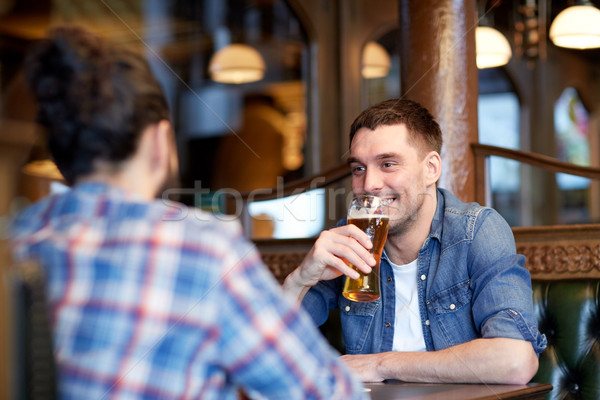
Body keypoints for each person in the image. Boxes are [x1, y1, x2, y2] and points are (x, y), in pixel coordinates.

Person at [11, 26, 366, 399]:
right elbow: (325, 392)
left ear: (62, 158)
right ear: (160, 141)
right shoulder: (202, 248)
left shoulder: (18, 237)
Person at [283, 98, 547, 384]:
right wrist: (300, 279)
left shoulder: (476, 232)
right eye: (359, 168)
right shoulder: (351, 239)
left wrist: (380, 365)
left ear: (431, 169)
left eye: (388, 164)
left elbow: (515, 361)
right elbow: (264, 348)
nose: (369, 183)